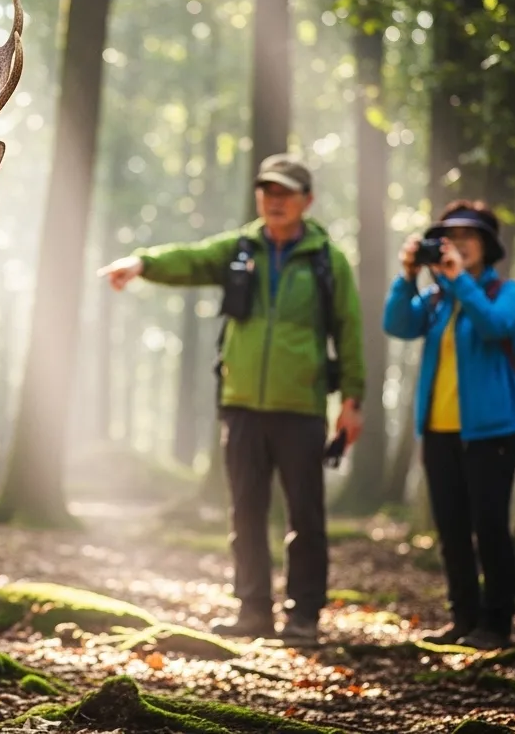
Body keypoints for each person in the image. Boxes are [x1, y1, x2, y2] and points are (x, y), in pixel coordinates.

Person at [97, 154, 366, 646]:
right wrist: (142, 263)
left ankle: (304, 615)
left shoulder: (328, 260)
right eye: (267, 191)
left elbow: (349, 330)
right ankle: (253, 610)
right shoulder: (243, 247)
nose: (274, 201)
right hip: (242, 403)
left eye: (285, 193)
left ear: (307, 200)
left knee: (305, 515)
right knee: (245, 510)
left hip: (301, 407)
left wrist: (353, 400)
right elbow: (193, 258)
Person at [382, 200, 515, 650]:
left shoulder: (504, 292)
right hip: (438, 432)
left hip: (491, 433)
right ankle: (463, 618)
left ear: (486, 247)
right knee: (451, 530)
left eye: (468, 238)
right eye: (450, 238)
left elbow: (497, 328)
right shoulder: (435, 300)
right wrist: (408, 275)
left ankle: (497, 623)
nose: (458, 245)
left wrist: (460, 281)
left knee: (490, 528)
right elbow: (397, 323)